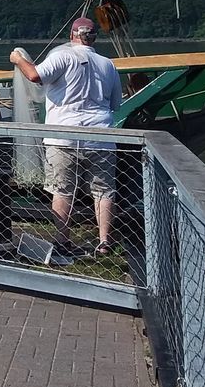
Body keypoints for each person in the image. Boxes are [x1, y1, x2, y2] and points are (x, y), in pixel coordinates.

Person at [9, 16, 123, 257]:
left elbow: (34, 76)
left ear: (72, 35)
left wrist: (18, 59)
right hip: (100, 136)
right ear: (94, 38)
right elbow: (114, 104)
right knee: (103, 191)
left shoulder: (62, 56)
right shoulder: (108, 64)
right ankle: (104, 242)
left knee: (62, 190)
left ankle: (62, 240)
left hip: (63, 136)